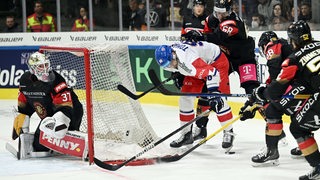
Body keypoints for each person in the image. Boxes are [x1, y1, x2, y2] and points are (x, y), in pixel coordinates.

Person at [247, 20, 320, 179]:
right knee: (294, 112)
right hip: (311, 90)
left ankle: (316, 168)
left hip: (314, 93)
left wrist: (262, 94)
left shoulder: (293, 57)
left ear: (293, 40)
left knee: (295, 126)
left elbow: (276, 88)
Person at [154, 40, 235, 152]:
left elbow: (212, 72)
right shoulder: (172, 56)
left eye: (170, 63)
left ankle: (228, 132)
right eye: (167, 65)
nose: (170, 66)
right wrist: (177, 73)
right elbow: (181, 66)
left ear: (173, 55)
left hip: (216, 63)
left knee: (218, 100)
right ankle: (186, 134)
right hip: (198, 63)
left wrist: (213, 92)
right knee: (185, 98)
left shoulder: (188, 61)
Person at [13, 52, 84, 158]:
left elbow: (65, 107)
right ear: (32, 68)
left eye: (46, 65)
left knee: (62, 138)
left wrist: (59, 123)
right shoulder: (24, 80)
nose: (45, 69)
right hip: (49, 118)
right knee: (39, 147)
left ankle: (65, 133)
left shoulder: (56, 79)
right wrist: (22, 123)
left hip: (71, 112)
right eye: (41, 66)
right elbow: (24, 105)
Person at [239, 31, 294, 166]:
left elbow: (276, 75)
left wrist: (265, 94)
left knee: (272, 112)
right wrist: (250, 102)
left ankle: (272, 150)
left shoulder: (272, 45)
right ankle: (303, 146)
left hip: (291, 86)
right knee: (299, 116)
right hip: (302, 86)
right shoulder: (285, 45)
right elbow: (272, 80)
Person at [178, 0, 210, 142]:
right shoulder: (187, 20)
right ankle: (187, 132)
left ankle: (201, 128)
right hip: (190, 63)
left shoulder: (209, 20)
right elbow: (182, 39)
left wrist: (202, 37)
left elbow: (212, 40)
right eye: (197, 5)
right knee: (188, 96)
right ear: (194, 7)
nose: (199, 8)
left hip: (205, 62)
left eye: (201, 6)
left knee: (205, 97)